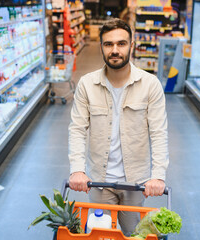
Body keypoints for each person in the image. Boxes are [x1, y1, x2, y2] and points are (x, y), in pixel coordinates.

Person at [68, 18, 169, 236]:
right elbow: (77, 129)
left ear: (131, 46)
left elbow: (159, 133)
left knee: (134, 234)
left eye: (121, 44)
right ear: (101, 47)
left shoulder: (150, 85)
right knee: (100, 235)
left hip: (136, 182)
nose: (115, 50)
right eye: (108, 44)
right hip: (99, 182)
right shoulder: (87, 84)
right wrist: (77, 169)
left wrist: (158, 175)